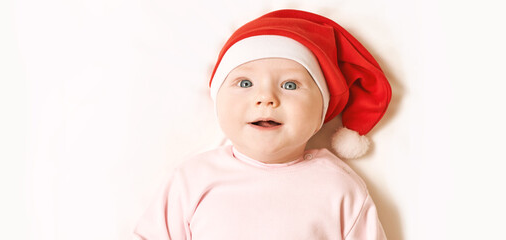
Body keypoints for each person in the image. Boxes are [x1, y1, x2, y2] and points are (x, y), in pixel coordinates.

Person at [133, 9, 391, 239]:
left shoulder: (339, 187)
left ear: (320, 114)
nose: (266, 98)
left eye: (290, 85)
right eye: (245, 84)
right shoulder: (193, 179)